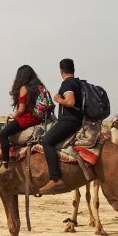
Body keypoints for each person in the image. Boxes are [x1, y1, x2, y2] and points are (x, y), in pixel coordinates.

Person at [38, 59, 85, 194]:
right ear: (73, 69)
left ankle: (55, 178)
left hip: (69, 121)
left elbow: (70, 101)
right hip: (78, 120)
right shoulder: (78, 83)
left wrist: (59, 100)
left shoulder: (68, 83)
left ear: (61, 71)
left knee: (46, 141)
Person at [0, 65, 50, 173]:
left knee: (3, 134)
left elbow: (21, 110)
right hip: (40, 118)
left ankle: (5, 163)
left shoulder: (24, 88)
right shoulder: (40, 87)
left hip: (29, 118)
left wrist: (13, 116)